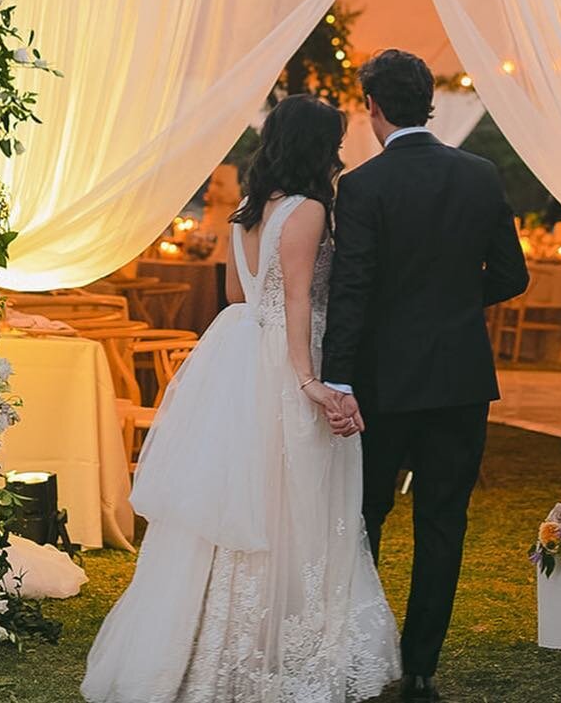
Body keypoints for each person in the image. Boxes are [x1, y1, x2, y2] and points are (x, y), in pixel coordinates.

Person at [81, 93, 400, 703]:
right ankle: (277, 641)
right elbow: (300, 299)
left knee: (245, 495)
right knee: (291, 497)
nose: (338, 154)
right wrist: (310, 380)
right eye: (333, 143)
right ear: (316, 147)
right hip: (287, 360)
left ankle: (211, 636)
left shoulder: (246, 214)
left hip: (239, 349)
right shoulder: (308, 210)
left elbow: (237, 291)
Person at [321, 50, 529, 702]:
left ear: (374, 107)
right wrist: (458, 303)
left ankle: (365, 652)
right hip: (462, 380)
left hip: (384, 381)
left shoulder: (361, 185)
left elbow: (352, 289)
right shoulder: (480, 172)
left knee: (366, 517)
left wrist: (339, 379)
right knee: (443, 521)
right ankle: (418, 668)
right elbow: (514, 274)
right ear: (428, 103)